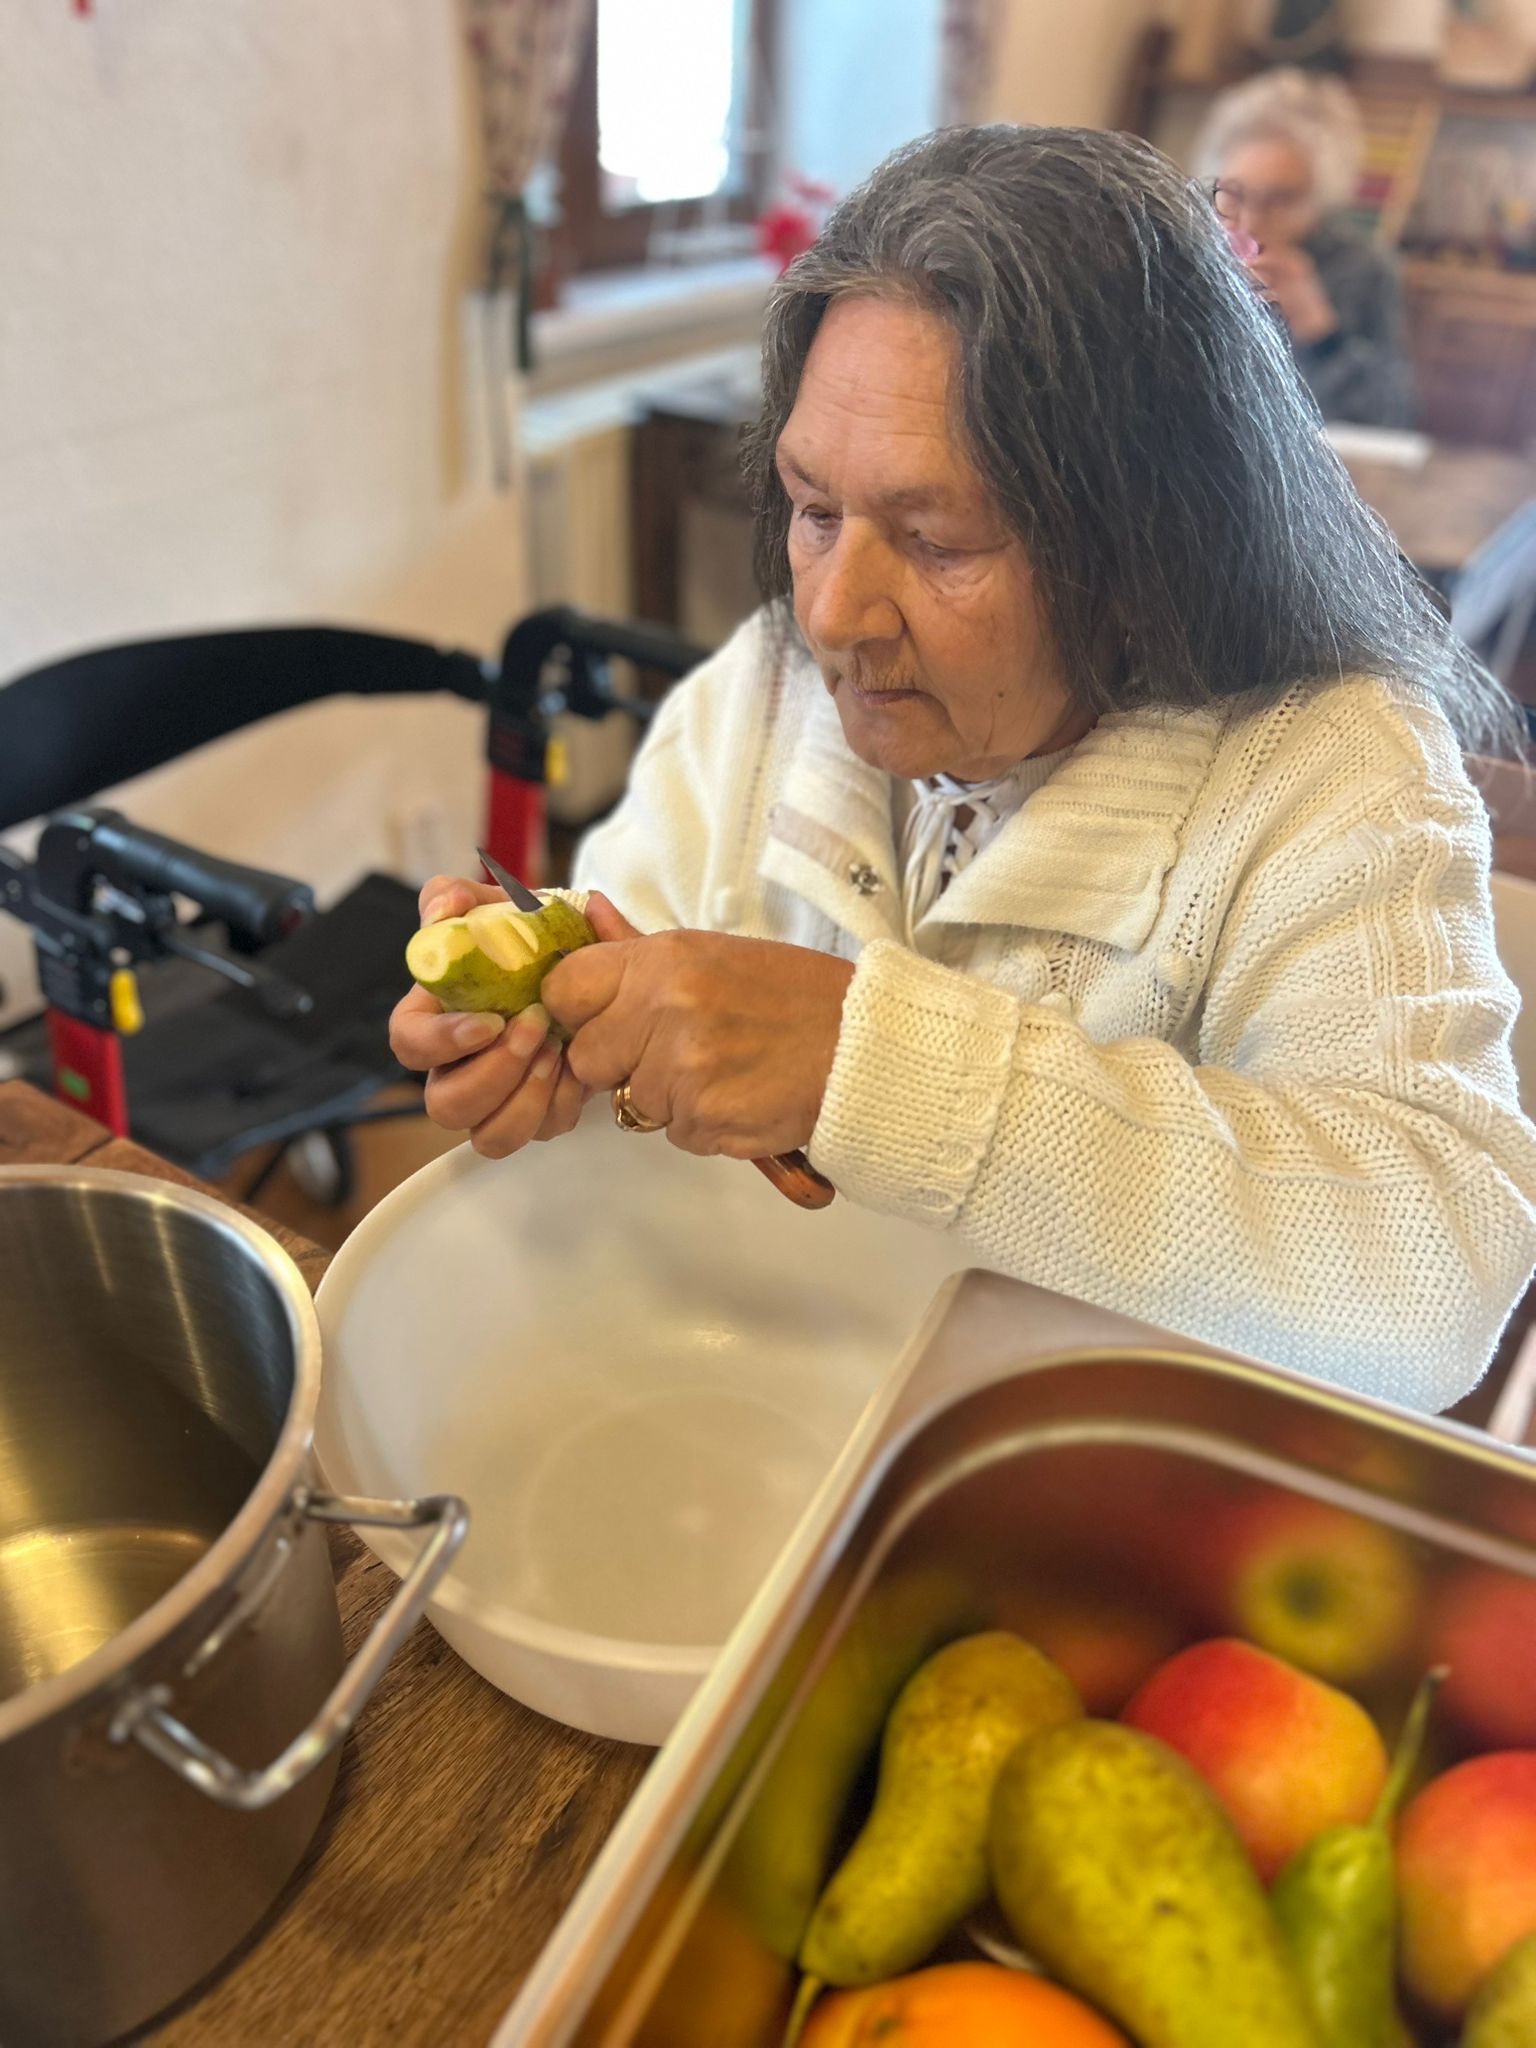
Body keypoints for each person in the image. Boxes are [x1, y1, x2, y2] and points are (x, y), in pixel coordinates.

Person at [391, 125, 1536, 1409]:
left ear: (1146, 552)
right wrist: (552, 1032)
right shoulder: (762, 690)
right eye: (815, 511)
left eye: (936, 541)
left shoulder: (1336, 770)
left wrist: (865, 1061)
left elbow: (1437, 1276)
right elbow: (643, 943)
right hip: (748, 1398)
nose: (831, 614)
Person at [1196, 67, 1415, 428]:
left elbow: (1389, 420)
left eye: (1280, 199)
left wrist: (1319, 332)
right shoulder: (1192, 248)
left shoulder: (1362, 268)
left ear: (1322, 197)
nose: (1250, 221)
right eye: (1233, 194)